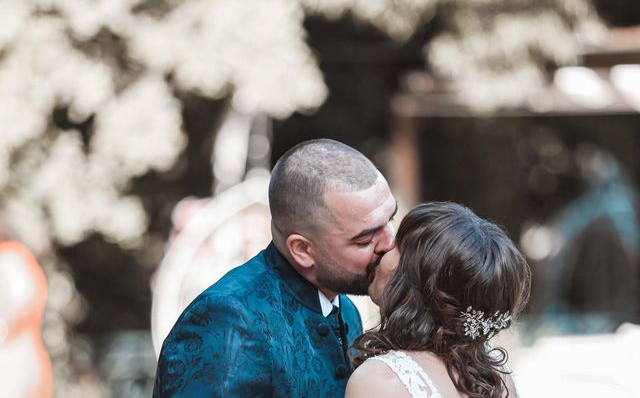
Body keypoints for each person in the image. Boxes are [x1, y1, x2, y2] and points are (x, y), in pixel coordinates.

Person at [153, 139, 398, 397]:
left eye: (390, 219)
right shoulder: (228, 320)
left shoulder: (347, 310)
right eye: (365, 239)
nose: (390, 243)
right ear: (303, 250)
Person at [346, 202, 530, 398]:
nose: (385, 247)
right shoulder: (497, 375)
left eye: (399, 244)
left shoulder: (380, 381)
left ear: (417, 284)